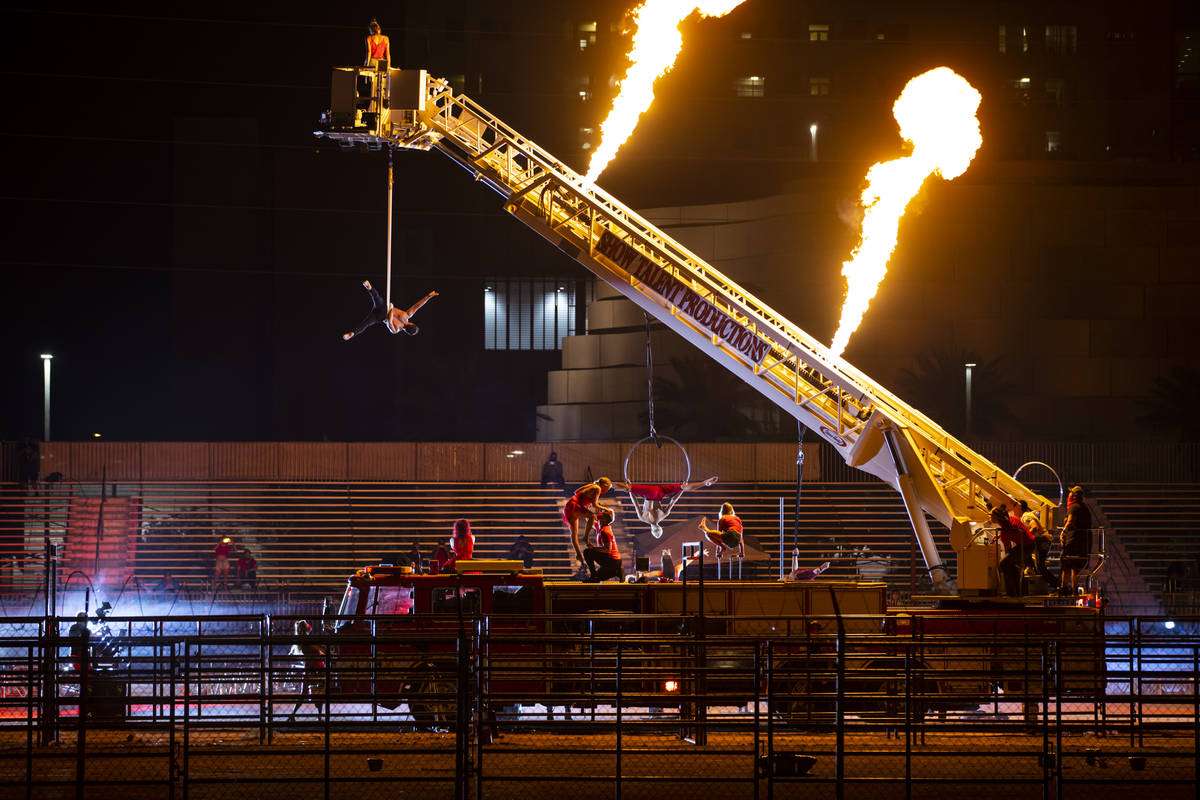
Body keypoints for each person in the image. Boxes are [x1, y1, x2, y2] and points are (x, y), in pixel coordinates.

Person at [614, 476, 719, 538]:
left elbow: (673, 500)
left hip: (660, 493)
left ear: (660, 527)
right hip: (649, 494)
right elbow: (635, 501)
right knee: (626, 488)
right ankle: (609, 485)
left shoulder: (663, 515)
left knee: (684, 487)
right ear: (651, 530)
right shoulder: (643, 518)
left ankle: (704, 483)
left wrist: (682, 489)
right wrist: (629, 488)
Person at [343, 280, 437, 340]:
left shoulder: (407, 316)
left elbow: (417, 306)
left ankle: (370, 288)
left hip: (384, 311)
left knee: (377, 299)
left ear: (411, 324)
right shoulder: (396, 330)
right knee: (366, 324)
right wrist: (428, 297)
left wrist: (428, 296)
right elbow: (389, 322)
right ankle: (352, 333)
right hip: (380, 317)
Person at [562, 477, 612, 572]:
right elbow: (595, 505)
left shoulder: (592, 485)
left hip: (571, 505)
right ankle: (585, 537)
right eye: (608, 488)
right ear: (605, 486)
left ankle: (579, 555)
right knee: (592, 516)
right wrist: (606, 509)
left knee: (574, 533)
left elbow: (576, 492)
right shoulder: (598, 488)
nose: (606, 491)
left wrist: (585, 504)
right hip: (575, 505)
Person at [287, 620, 326, 722]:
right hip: (317, 667)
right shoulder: (308, 640)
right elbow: (320, 650)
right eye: (307, 624)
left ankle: (293, 714)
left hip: (309, 667)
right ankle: (319, 715)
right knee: (319, 691)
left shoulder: (301, 641)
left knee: (304, 692)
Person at [1059, 486, 1092, 596]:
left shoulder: (1074, 507)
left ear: (1072, 496)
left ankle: (1064, 589)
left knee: (1066, 564)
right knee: (1076, 566)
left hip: (1073, 540)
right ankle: (1074, 589)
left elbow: (1070, 522)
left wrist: (1063, 532)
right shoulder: (1085, 508)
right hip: (1084, 541)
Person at [1020, 500, 1059, 592]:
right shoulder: (1027, 515)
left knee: (1041, 567)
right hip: (1042, 541)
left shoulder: (1026, 517)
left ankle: (1057, 586)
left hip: (1042, 541)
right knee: (1038, 566)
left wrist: (1026, 538)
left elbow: (1035, 527)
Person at [990, 505, 1028, 597]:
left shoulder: (1005, 531)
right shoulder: (1011, 518)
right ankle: (1018, 591)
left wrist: (1010, 560)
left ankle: (1011, 592)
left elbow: (1008, 548)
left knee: (1003, 564)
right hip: (1027, 543)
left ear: (996, 518)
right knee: (1009, 564)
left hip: (1026, 546)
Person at [582, 508, 622, 582]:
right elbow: (589, 519)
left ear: (606, 519)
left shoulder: (605, 531)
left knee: (587, 552)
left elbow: (607, 549)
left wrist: (593, 548)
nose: (601, 512)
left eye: (604, 513)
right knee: (599, 577)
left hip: (612, 561)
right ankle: (616, 572)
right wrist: (587, 508)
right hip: (612, 560)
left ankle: (594, 576)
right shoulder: (599, 526)